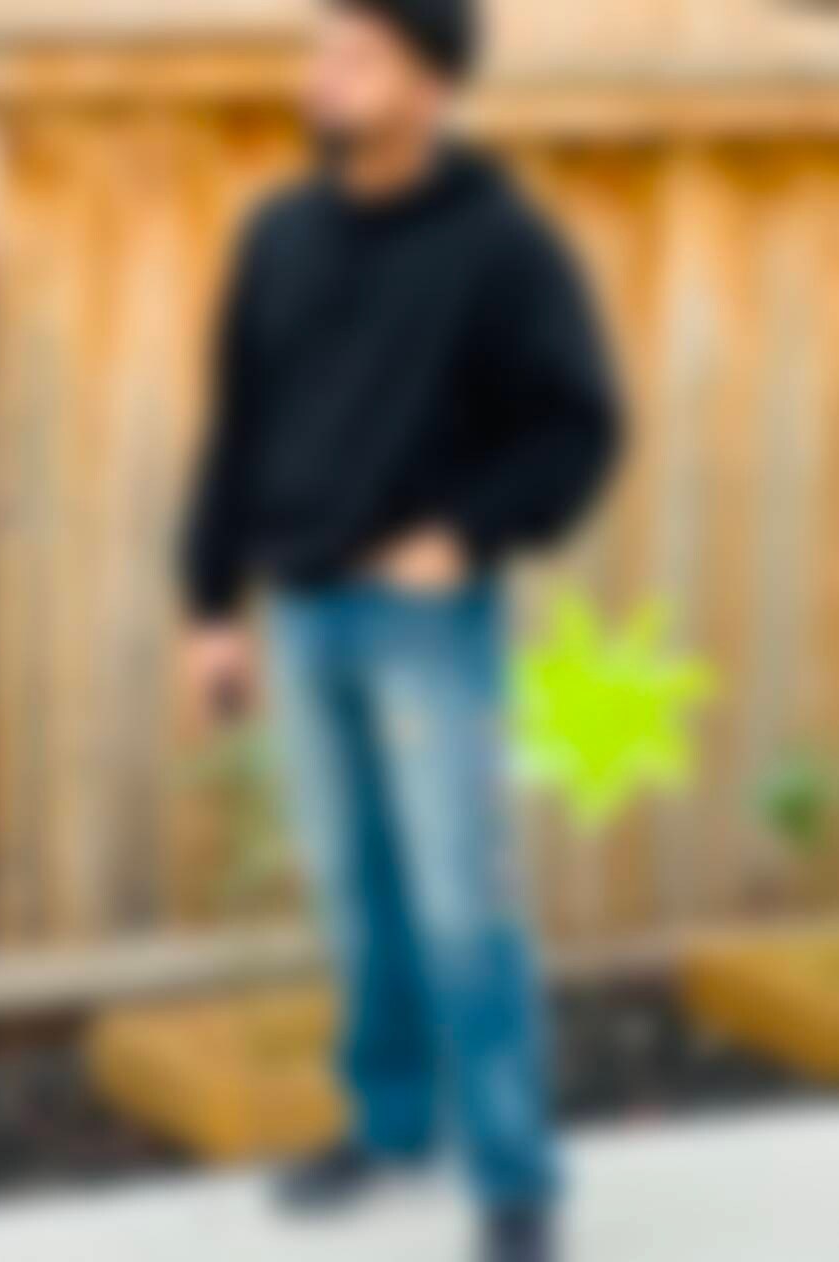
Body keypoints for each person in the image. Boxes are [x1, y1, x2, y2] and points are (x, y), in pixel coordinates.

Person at [181, 2, 619, 1258]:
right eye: (319, 49)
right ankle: (388, 1129)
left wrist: (464, 534)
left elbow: (578, 423)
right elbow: (236, 427)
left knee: (459, 903)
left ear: (430, 86)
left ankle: (514, 1176)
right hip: (302, 611)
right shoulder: (278, 235)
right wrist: (210, 605)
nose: (323, 74)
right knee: (358, 898)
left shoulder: (501, 246)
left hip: (428, 626)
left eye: (357, 55)